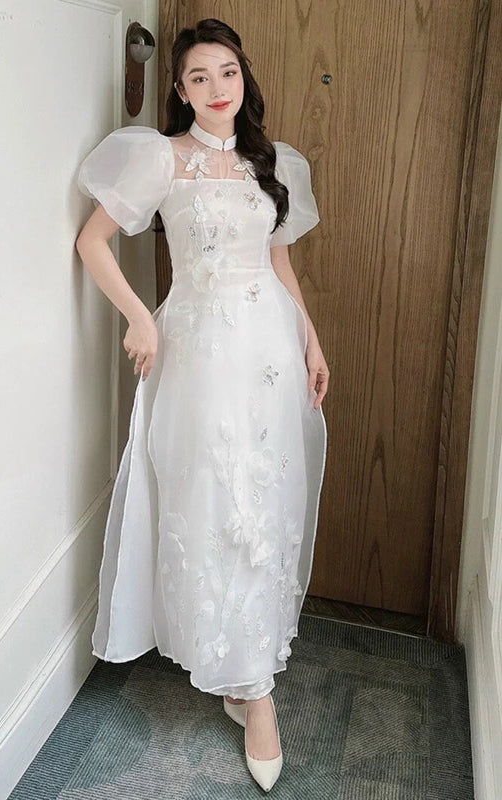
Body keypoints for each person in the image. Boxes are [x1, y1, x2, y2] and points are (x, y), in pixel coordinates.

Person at [75, 17, 329, 792]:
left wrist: (313, 342)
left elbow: (280, 262)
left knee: (265, 498)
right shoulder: (162, 158)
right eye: (198, 77)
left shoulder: (274, 162)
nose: (217, 88)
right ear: (180, 91)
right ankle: (246, 684)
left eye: (227, 72)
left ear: (243, 79)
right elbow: (91, 243)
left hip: (270, 352)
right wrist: (140, 318)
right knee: (213, 497)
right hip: (197, 352)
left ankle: (251, 678)